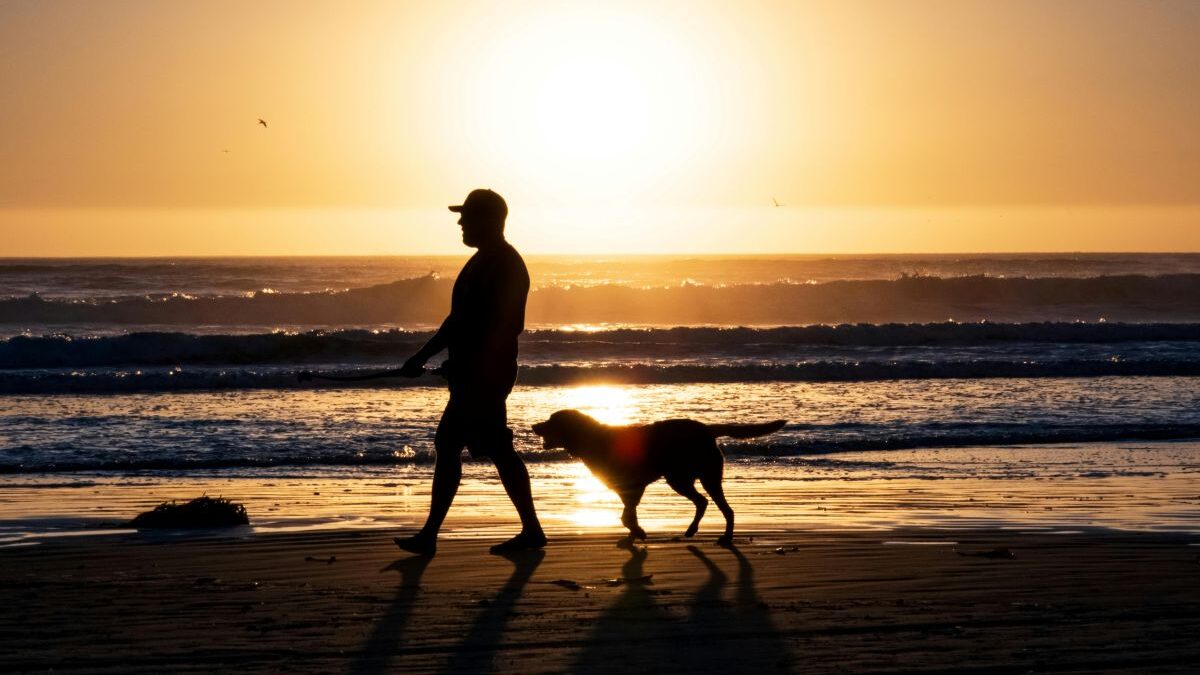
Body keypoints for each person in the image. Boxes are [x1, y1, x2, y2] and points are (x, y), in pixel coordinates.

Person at [393, 188, 546, 556]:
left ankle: (436, 536)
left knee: (477, 447)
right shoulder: (484, 260)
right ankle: (434, 535)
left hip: (485, 375)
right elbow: (458, 321)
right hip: (476, 373)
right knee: (469, 446)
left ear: (489, 221)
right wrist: (426, 357)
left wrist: (460, 361)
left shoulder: (503, 263)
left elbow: (505, 324)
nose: (460, 223)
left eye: (467, 216)